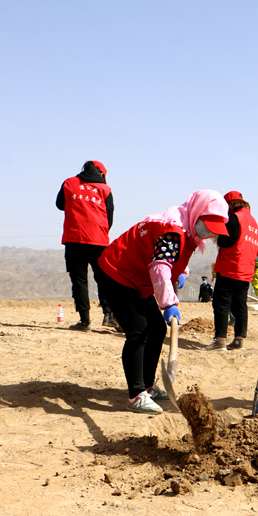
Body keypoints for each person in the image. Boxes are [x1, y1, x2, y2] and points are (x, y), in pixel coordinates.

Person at [95, 190, 229, 414]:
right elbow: (160, 266)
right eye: (207, 225)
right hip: (117, 273)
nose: (207, 233)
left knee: (156, 328)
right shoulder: (173, 229)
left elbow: (175, 255)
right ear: (198, 212)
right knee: (138, 330)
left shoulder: (186, 222)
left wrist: (182, 271)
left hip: (138, 278)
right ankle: (136, 394)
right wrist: (168, 304)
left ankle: (148, 385)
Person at [56, 160, 116, 330]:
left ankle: (84, 320)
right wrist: (101, 231)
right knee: (103, 278)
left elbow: (60, 204)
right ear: (101, 174)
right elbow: (109, 216)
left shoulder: (69, 182)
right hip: (98, 240)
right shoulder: (105, 189)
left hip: (74, 238)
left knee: (79, 280)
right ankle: (108, 316)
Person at [205, 191, 258, 351]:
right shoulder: (253, 222)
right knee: (240, 305)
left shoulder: (235, 218)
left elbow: (228, 240)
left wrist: (217, 237)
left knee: (221, 304)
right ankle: (239, 340)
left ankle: (220, 340)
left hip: (231, 267)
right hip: (246, 269)